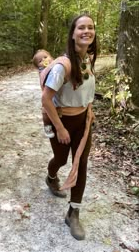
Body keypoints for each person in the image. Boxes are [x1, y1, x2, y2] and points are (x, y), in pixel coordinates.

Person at [41, 14, 96, 240]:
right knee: (61, 159)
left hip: (83, 122)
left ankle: (73, 213)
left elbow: (85, 91)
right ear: (73, 34)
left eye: (90, 27)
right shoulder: (62, 66)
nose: (86, 31)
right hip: (62, 122)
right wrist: (60, 129)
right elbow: (46, 99)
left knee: (80, 163)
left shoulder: (88, 60)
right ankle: (51, 175)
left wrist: (89, 111)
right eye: (81, 27)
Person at [32, 49, 55, 138]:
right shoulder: (42, 71)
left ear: (51, 57)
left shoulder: (56, 65)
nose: (44, 60)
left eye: (45, 57)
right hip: (47, 96)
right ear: (38, 66)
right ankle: (47, 127)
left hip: (58, 96)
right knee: (46, 112)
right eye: (40, 61)